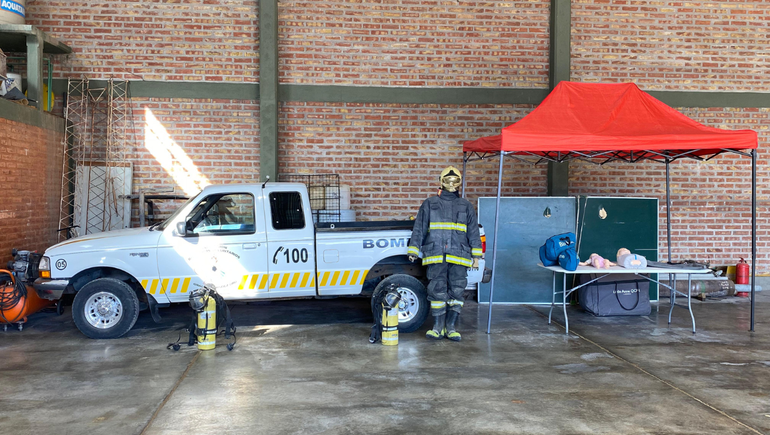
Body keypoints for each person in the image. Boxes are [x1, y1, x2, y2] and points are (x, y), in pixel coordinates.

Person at [407, 166, 483, 341]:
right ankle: (437, 327)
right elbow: (419, 228)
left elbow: (473, 232)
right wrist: (413, 249)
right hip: (436, 254)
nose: (451, 183)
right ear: (441, 181)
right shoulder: (429, 204)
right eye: (448, 180)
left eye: (454, 180)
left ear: (459, 183)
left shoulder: (466, 206)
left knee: (457, 290)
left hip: (459, 256)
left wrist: (476, 256)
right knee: (436, 290)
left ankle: (451, 327)